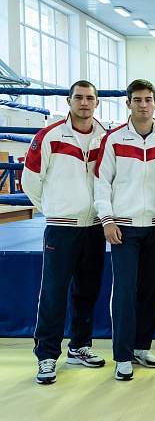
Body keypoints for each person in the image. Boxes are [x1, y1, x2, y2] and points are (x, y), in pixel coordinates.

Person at [22, 80, 107, 384]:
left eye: (90, 98)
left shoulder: (105, 138)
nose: (84, 102)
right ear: (69, 101)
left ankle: (79, 346)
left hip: (94, 227)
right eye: (79, 97)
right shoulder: (49, 136)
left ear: (96, 102)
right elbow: (30, 180)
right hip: (61, 228)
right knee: (54, 293)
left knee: (87, 290)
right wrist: (53, 209)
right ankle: (46, 355)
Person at [94, 79, 155, 380]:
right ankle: (123, 355)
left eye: (148, 99)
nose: (143, 105)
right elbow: (101, 181)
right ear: (128, 103)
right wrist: (107, 219)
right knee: (125, 291)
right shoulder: (114, 140)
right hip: (124, 229)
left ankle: (142, 347)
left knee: (151, 290)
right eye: (137, 100)